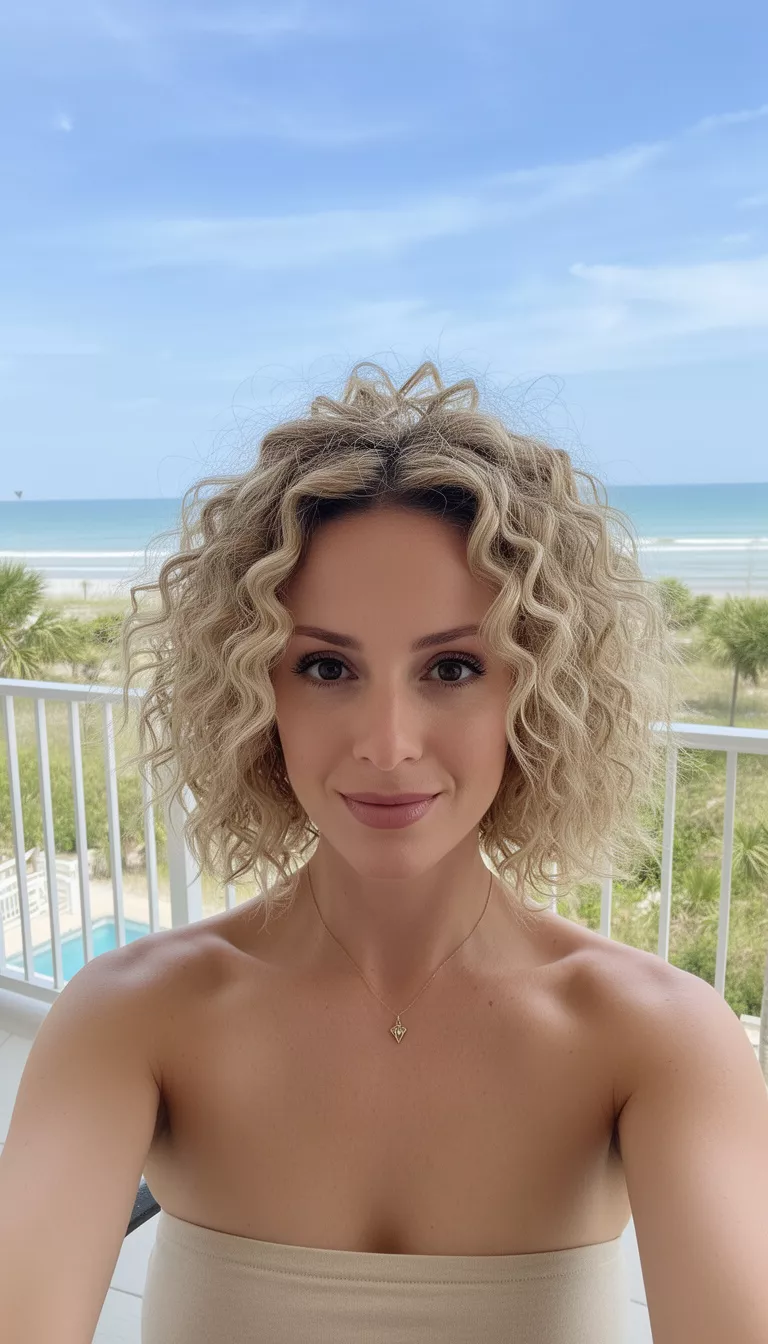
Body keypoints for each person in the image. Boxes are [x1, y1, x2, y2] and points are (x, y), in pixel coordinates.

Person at [2, 362, 767, 1344]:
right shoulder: (131, 1018)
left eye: (452, 667)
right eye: (327, 667)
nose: (388, 741)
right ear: (256, 693)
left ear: (532, 694)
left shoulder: (657, 1036)